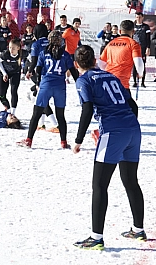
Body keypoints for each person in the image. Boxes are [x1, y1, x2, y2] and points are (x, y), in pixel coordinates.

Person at [71, 46, 145, 251]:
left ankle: (96, 237)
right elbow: (133, 105)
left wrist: (78, 140)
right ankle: (138, 229)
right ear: (95, 60)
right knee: (131, 181)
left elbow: (86, 109)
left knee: (99, 185)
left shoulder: (83, 80)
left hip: (113, 132)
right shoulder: (111, 76)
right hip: (133, 129)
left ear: (77, 65)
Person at [17, 31, 76, 149]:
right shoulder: (65, 54)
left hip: (46, 85)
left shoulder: (43, 53)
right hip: (60, 86)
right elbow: (73, 72)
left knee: (36, 114)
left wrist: (38, 83)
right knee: (61, 115)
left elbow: (38, 70)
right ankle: (63, 142)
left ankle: (29, 140)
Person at [100, 20, 145, 91]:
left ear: (120, 31)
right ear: (133, 32)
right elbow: (138, 62)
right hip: (122, 83)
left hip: (107, 81)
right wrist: (140, 73)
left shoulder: (110, 43)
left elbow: (101, 63)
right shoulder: (133, 44)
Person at [0, 38, 23, 114]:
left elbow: (31, 59)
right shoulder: (5, 54)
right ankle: (8, 109)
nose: (11, 50)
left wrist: (30, 69)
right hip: (4, 72)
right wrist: (4, 73)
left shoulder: (22, 53)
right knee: (1, 95)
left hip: (15, 73)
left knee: (14, 91)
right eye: (10, 47)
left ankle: (13, 113)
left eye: (13, 48)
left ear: (18, 48)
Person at [132, 13, 150, 88]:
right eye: (137, 17)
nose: (138, 18)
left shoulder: (146, 27)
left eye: (139, 17)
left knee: (142, 65)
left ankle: (142, 82)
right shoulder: (133, 26)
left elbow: (148, 38)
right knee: (134, 65)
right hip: (134, 49)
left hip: (142, 49)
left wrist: (148, 48)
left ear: (142, 17)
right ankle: (135, 82)